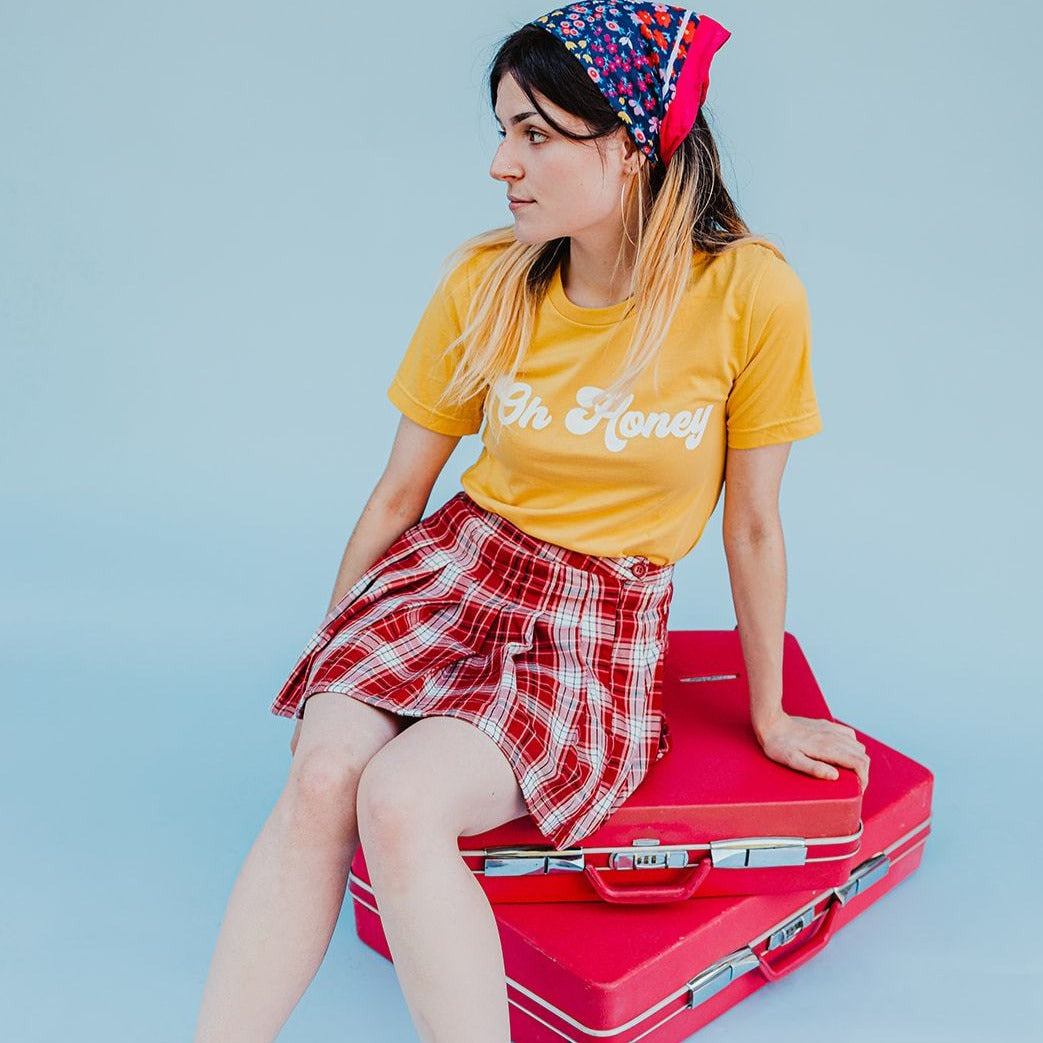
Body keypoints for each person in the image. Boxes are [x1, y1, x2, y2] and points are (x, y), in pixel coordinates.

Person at [193, 4, 871, 1041]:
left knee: (402, 801)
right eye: (503, 130)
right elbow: (398, 492)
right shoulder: (485, 281)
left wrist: (770, 714)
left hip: (594, 618)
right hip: (451, 570)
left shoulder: (749, 293)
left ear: (630, 146)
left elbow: (751, 524)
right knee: (323, 772)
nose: (501, 163)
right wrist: (336, 656)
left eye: (535, 134)